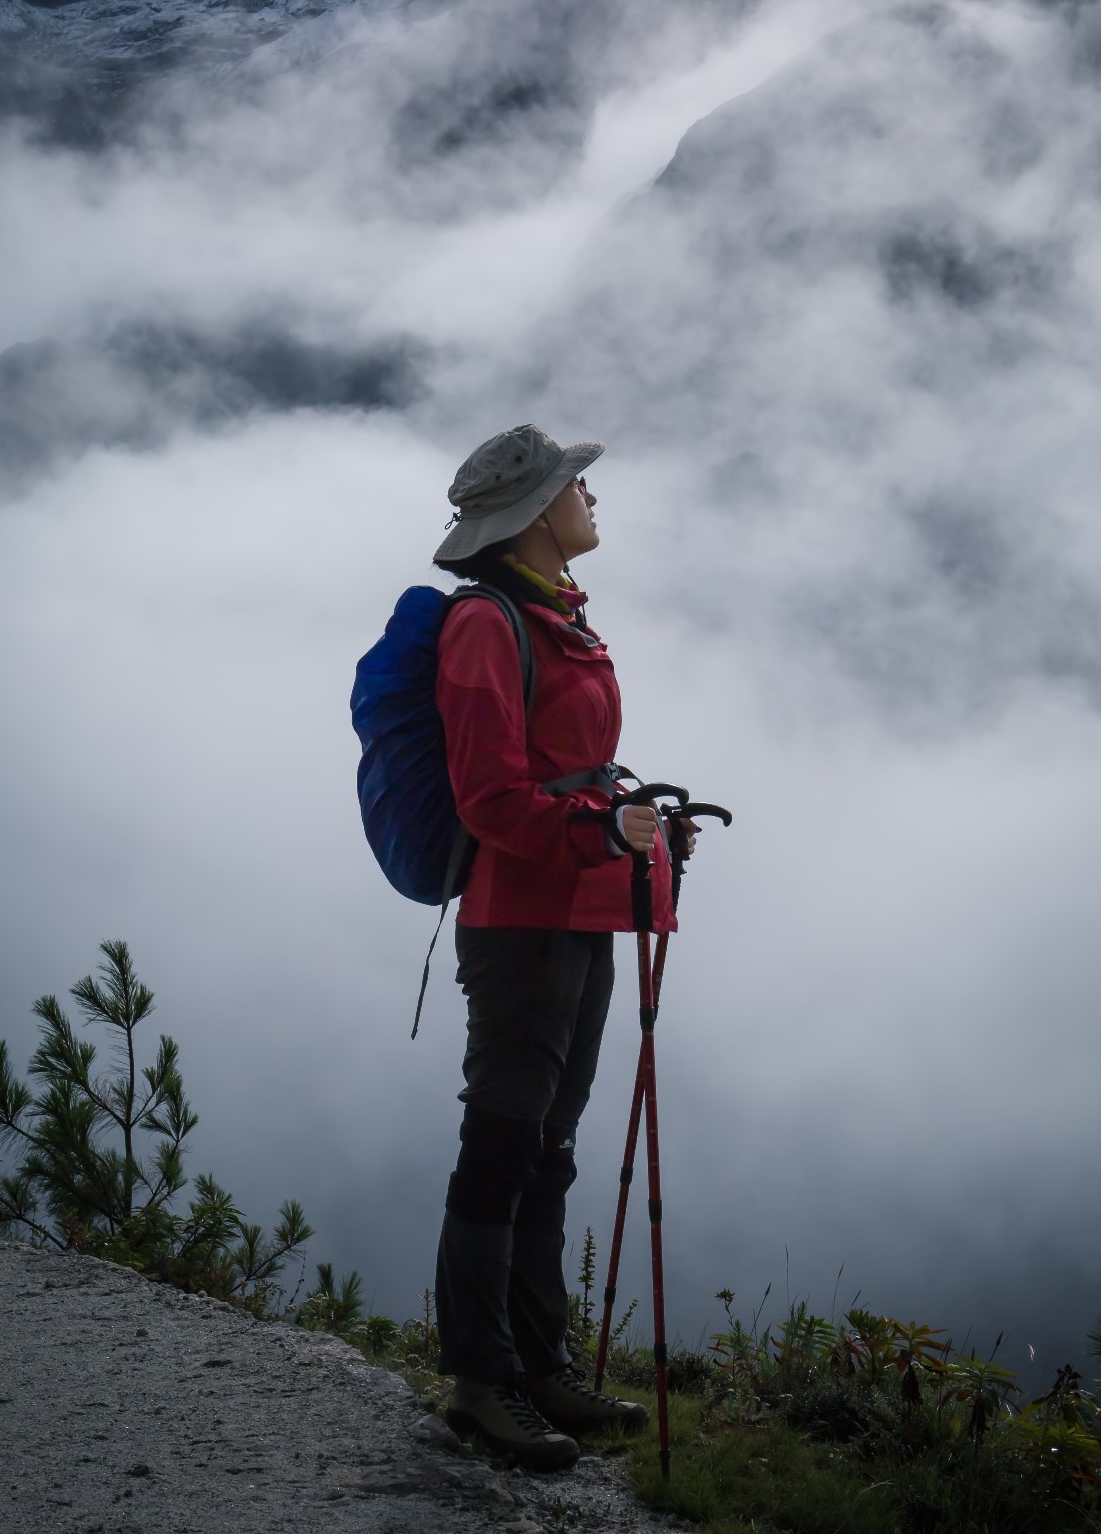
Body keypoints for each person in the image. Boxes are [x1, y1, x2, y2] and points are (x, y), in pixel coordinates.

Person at [430, 423, 675, 1470]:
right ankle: (482, 1378)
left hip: (579, 907)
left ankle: (540, 1363)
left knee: (551, 1148)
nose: (592, 499)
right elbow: (490, 797)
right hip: (522, 919)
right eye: (578, 487)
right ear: (535, 515)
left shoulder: (553, 614)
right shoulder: (487, 624)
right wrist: (590, 828)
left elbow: (571, 765)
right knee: (503, 1144)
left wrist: (629, 812)